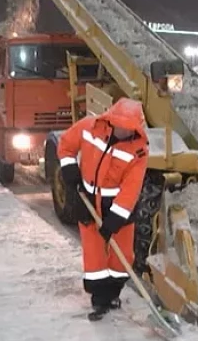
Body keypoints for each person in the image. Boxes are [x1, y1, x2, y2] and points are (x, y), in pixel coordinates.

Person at [57, 98, 149, 320]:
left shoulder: (139, 152)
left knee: (123, 257)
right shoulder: (89, 127)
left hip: (119, 210)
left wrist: (115, 219)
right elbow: (65, 144)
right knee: (95, 257)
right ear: (111, 120)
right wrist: (69, 169)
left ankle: (114, 292)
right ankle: (99, 300)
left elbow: (131, 188)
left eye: (130, 129)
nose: (124, 132)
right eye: (121, 126)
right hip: (87, 203)